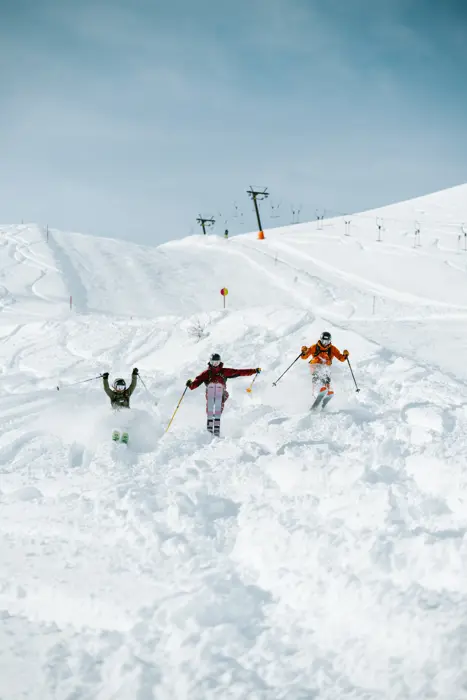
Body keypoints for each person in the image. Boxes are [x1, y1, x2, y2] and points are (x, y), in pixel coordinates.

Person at [186, 353, 260, 424]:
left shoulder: (224, 371)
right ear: (210, 362)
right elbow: (197, 381)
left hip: (221, 392)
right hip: (210, 392)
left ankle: (217, 415)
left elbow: (239, 372)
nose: (215, 364)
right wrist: (191, 384)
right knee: (212, 389)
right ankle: (210, 415)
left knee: (221, 393)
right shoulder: (206, 373)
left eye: (217, 362)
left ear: (219, 362)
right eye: (213, 362)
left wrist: (254, 371)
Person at [300, 332, 349, 404]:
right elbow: (305, 357)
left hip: (325, 367)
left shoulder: (332, 349)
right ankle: (316, 393)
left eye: (327, 341)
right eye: (323, 341)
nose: (325, 343)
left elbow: (340, 358)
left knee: (326, 377)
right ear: (321, 340)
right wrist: (304, 351)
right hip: (315, 365)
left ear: (330, 341)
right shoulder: (314, 347)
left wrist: (345, 355)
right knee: (317, 376)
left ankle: (327, 392)